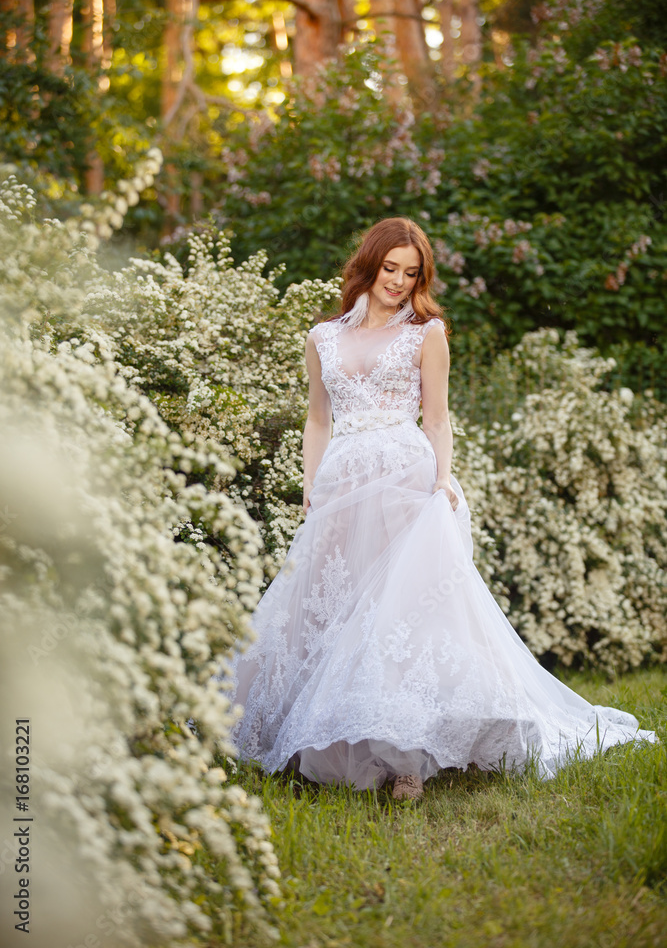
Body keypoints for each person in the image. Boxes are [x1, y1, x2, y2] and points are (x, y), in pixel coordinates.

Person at [225, 217, 656, 801]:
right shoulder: (321, 337)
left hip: (405, 479)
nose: (398, 282)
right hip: (343, 487)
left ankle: (407, 760)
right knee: (332, 607)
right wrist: (311, 487)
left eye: (411, 272)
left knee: (400, 616)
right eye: (390, 269)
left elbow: (437, 417)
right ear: (369, 265)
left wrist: (443, 480)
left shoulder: (426, 333)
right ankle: (316, 735)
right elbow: (318, 419)